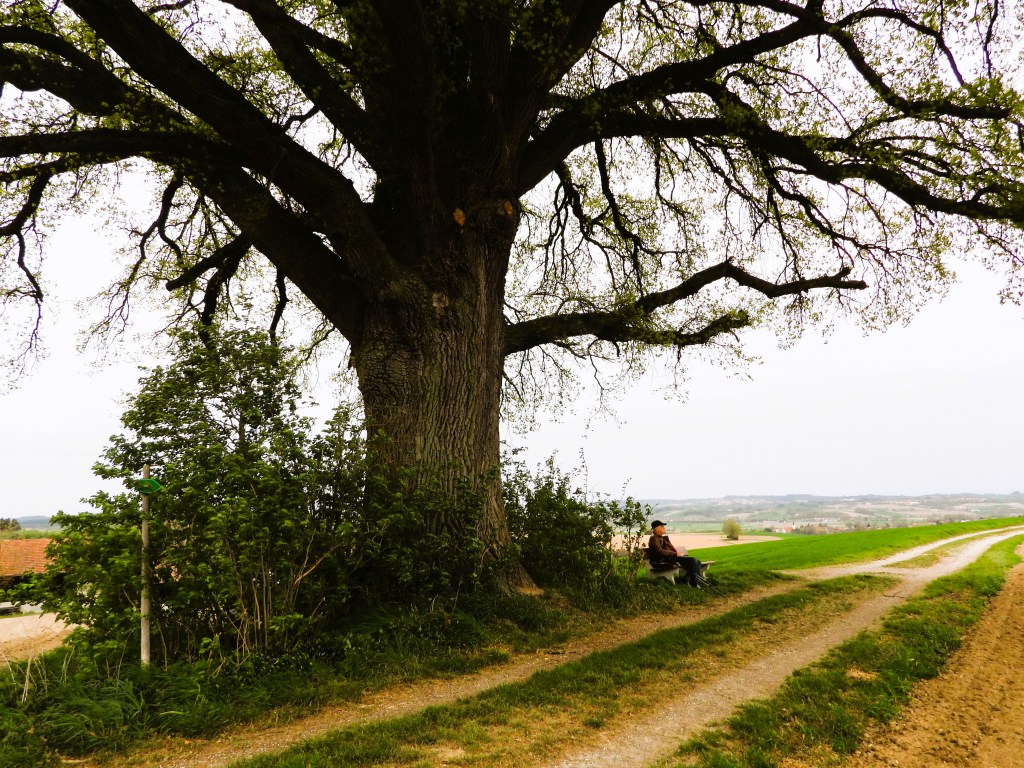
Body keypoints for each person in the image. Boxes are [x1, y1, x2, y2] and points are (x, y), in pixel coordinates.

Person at [648, 520, 703, 587]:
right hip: (663, 561)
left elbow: (666, 550)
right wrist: (674, 554)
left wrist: (677, 553)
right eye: (662, 526)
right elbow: (660, 551)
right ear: (656, 528)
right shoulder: (653, 539)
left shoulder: (660, 538)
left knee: (698, 562)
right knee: (693, 560)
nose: (664, 528)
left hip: (670, 558)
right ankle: (694, 582)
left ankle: (686, 579)